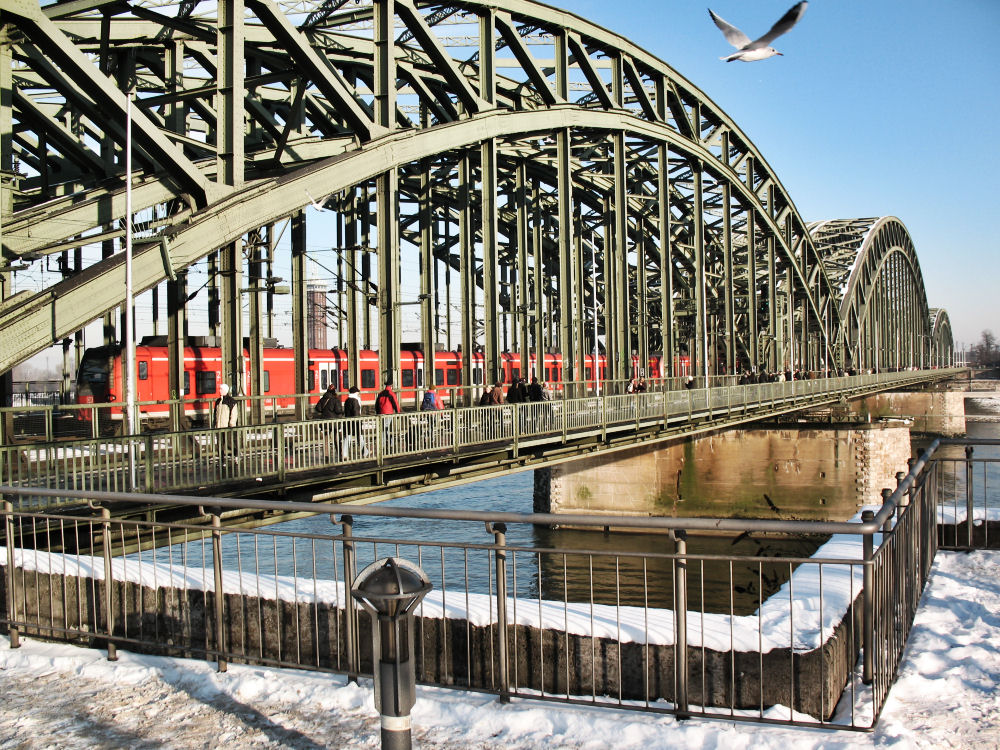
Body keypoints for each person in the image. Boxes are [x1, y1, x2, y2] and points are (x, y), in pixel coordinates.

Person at [213, 384, 240, 459]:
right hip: (219, 426)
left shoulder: (231, 401)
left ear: (225, 390)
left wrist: (231, 424)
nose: (219, 391)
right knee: (220, 444)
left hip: (227, 426)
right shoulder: (218, 401)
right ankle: (221, 458)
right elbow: (215, 414)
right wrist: (214, 424)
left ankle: (236, 454)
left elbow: (234, 414)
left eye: (221, 389)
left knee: (230, 443)